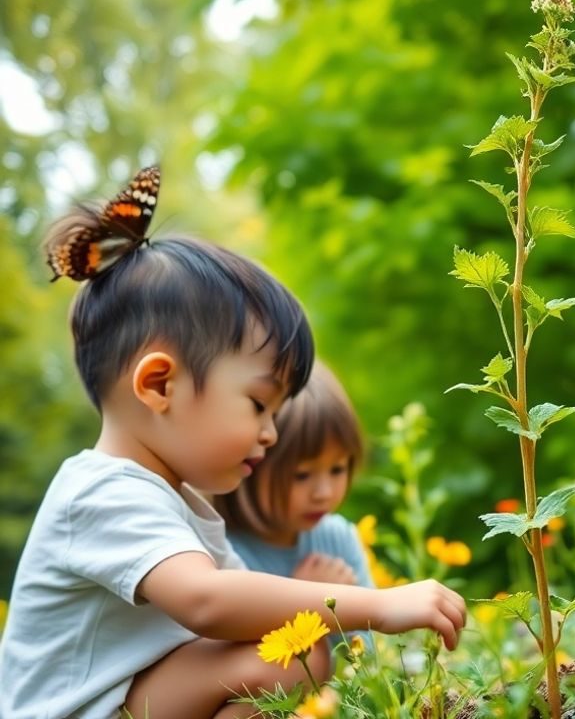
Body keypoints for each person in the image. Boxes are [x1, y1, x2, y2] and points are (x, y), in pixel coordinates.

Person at [0, 166, 466, 719]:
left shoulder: (180, 504)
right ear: (159, 385)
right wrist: (376, 606)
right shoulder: (101, 491)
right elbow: (208, 602)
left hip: (133, 703)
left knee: (298, 653)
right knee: (291, 655)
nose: (271, 433)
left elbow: (250, 611)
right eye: (258, 404)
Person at [215, 361, 373, 595]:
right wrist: (307, 598)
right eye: (301, 475)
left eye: (337, 469)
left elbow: (368, 630)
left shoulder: (339, 539)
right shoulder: (221, 554)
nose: (324, 493)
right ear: (249, 464)